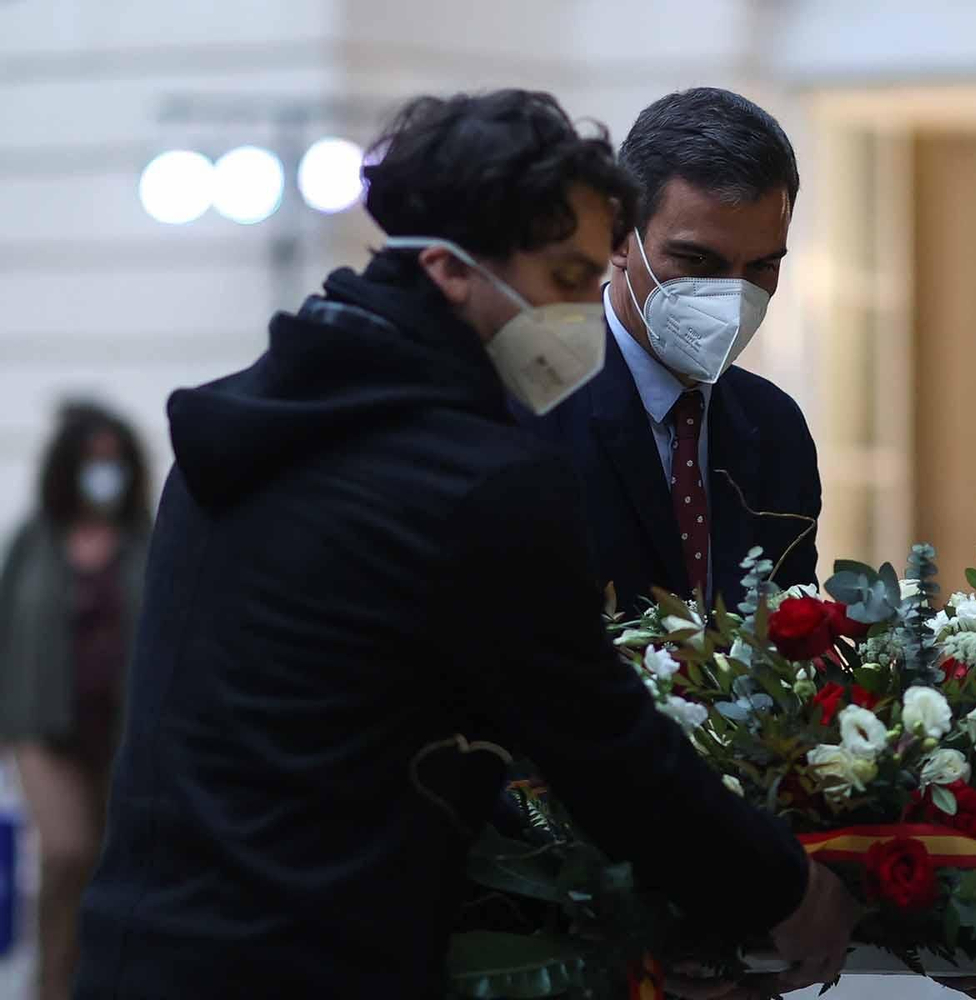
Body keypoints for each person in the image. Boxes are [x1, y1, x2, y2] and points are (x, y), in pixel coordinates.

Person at [73, 90, 856, 1000]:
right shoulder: (472, 473)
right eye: (567, 279)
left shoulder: (252, 424)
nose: (583, 309)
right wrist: (785, 890)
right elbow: (598, 740)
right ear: (451, 272)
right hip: (324, 956)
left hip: (155, 947)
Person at [515, 87, 821, 614]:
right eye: (697, 261)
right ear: (615, 236)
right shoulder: (528, 402)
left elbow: (794, 640)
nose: (732, 295)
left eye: (762, 267)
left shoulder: (776, 428)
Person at [0, 403, 151, 1000]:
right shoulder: (35, 541)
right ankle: (53, 987)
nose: (103, 473)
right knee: (66, 854)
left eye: (113, 462)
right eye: (92, 462)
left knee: (118, 869)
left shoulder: (146, 538)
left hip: (124, 735)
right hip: (44, 727)